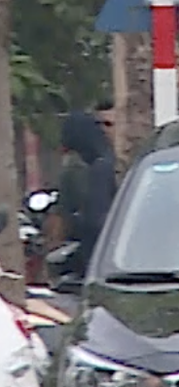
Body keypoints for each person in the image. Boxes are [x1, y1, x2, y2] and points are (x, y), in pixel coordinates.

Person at [54, 108, 118, 274]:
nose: (105, 129)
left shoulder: (78, 168)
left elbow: (63, 219)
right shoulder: (107, 162)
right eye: (101, 124)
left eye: (109, 124)